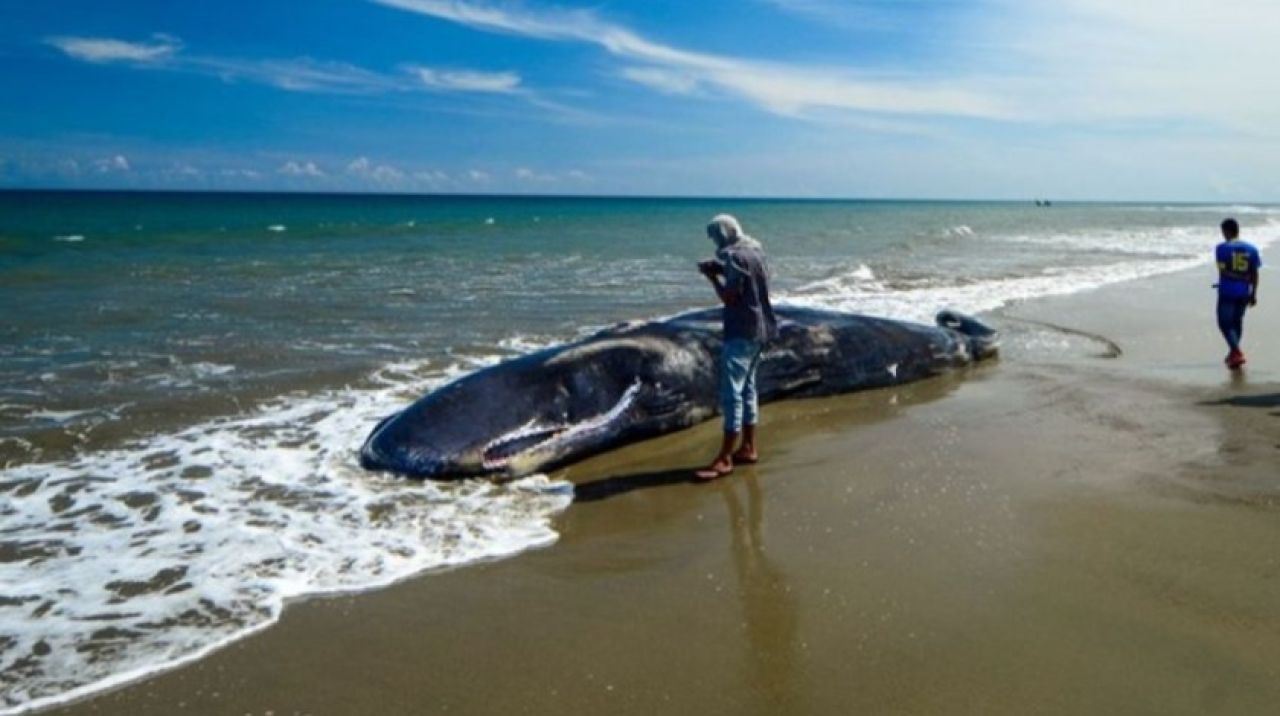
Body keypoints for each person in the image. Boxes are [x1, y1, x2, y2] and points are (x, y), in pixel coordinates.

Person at [695, 214, 779, 480]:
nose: (714, 241)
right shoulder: (756, 252)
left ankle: (724, 458)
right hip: (763, 328)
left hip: (741, 330)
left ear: (723, 233)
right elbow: (751, 280)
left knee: (732, 394)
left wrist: (712, 278)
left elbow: (730, 297)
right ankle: (748, 447)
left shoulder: (734, 257)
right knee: (749, 389)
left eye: (715, 235)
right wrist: (721, 270)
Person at [1214, 218, 1261, 369]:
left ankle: (1237, 351)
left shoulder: (1221, 248)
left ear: (1226, 231)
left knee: (1224, 323)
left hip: (1227, 291)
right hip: (1244, 291)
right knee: (1236, 322)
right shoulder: (1252, 249)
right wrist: (1253, 293)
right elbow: (1255, 273)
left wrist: (1238, 277)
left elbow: (1223, 270)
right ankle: (1233, 354)